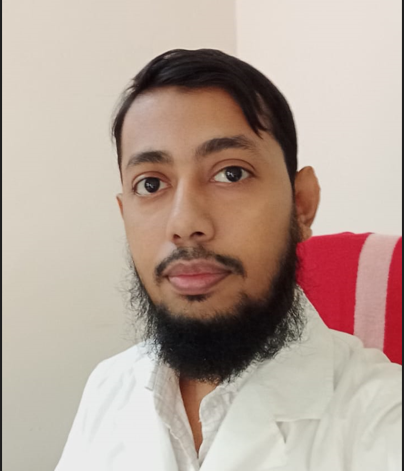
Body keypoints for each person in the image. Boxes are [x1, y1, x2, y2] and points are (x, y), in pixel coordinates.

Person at [55, 49, 402, 471]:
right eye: (150, 184)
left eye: (231, 173)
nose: (185, 223)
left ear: (301, 204)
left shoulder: (384, 418)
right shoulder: (108, 386)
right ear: (124, 213)